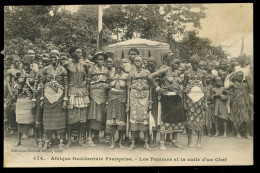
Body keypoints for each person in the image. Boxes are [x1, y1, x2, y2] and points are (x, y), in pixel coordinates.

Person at [148, 57, 185, 150]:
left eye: (178, 63)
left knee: (176, 119)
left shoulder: (177, 73)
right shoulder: (164, 70)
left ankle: (174, 141)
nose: (177, 65)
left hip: (176, 97)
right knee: (164, 119)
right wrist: (157, 87)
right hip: (166, 97)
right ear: (171, 62)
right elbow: (150, 77)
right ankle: (161, 142)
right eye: (175, 63)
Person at [63, 47, 90, 148]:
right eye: (77, 52)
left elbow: (88, 77)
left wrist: (86, 87)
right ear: (72, 53)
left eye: (81, 52)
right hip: (71, 92)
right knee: (70, 116)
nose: (80, 54)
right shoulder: (66, 64)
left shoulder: (84, 65)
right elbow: (62, 77)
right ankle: (69, 140)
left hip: (82, 92)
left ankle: (80, 140)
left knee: (82, 117)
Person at [41, 50, 68, 150]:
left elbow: (66, 84)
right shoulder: (45, 69)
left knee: (59, 119)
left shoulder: (63, 70)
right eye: (51, 57)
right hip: (47, 97)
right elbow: (42, 83)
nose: (53, 59)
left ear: (58, 58)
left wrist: (65, 99)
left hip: (60, 97)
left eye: (55, 57)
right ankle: (47, 141)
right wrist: (42, 98)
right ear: (49, 58)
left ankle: (61, 142)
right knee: (47, 119)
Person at [127, 56, 151, 150]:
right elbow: (128, 88)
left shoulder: (147, 72)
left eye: (139, 61)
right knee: (134, 118)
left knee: (144, 118)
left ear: (142, 62)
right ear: (134, 62)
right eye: (136, 60)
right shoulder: (131, 73)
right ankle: (132, 142)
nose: (137, 62)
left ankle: (146, 142)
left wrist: (150, 101)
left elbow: (151, 87)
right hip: (134, 98)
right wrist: (128, 103)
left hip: (145, 98)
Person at [183, 54, 206, 148]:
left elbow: (205, 88)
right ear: (191, 63)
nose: (195, 64)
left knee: (200, 119)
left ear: (199, 63)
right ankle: (189, 141)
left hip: (200, 100)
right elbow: (184, 88)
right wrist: (184, 102)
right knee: (189, 119)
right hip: (189, 100)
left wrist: (205, 102)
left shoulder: (203, 73)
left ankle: (199, 141)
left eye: (196, 63)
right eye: (193, 63)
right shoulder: (187, 73)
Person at [87, 51, 110, 145]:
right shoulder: (91, 70)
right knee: (93, 115)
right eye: (99, 59)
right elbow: (88, 83)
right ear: (96, 60)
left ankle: (98, 136)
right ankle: (91, 136)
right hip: (93, 94)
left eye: (103, 60)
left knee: (101, 115)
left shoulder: (106, 70)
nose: (101, 61)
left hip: (103, 94)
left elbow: (108, 82)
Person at [105, 59, 128, 149]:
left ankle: (120, 142)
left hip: (122, 99)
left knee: (121, 121)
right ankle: (112, 142)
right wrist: (107, 102)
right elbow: (107, 88)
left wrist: (127, 103)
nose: (118, 68)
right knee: (111, 121)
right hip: (112, 100)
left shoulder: (126, 76)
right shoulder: (111, 75)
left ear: (122, 67)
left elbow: (128, 89)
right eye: (116, 66)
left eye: (120, 66)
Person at [14, 60, 37, 146]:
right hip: (21, 97)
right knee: (20, 119)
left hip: (30, 97)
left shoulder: (34, 72)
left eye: (28, 65)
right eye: (24, 65)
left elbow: (35, 84)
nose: (26, 67)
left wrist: (28, 80)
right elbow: (17, 83)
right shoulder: (20, 72)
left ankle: (35, 140)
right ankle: (19, 140)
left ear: (31, 64)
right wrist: (21, 80)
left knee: (32, 119)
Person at [228, 71, 252, 139]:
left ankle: (247, 134)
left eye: (241, 76)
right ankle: (237, 133)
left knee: (246, 119)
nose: (240, 77)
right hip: (236, 104)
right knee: (236, 119)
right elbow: (230, 93)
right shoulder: (233, 85)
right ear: (235, 77)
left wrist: (247, 104)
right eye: (238, 76)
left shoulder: (245, 85)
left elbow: (247, 95)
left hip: (244, 104)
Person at [33, 55, 50, 148]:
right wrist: (34, 98)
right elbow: (35, 85)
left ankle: (48, 139)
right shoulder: (39, 72)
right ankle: (39, 139)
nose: (44, 64)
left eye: (46, 62)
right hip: (40, 96)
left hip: (49, 96)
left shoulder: (50, 71)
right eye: (43, 62)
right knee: (39, 117)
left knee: (48, 117)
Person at [146, 57, 160, 148]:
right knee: (146, 118)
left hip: (156, 97)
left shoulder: (158, 74)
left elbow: (161, 85)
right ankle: (147, 138)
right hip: (145, 97)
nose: (150, 65)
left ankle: (154, 138)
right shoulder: (145, 73)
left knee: (155, 117)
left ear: (155, 64)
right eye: (149, 64)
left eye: (152, 64)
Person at [5, 55, 20, 135]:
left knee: (18, 109)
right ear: (13, 62)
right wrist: (11, 93)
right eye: (15, 62)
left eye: (18, 62)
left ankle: (18, 127)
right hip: (12, 92)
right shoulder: (10, 71)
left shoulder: (22, 70)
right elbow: (7, 83)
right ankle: (11, 126)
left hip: (20, 91)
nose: (17, 63)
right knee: (9, 109)